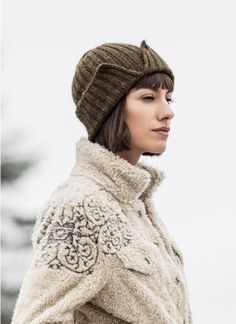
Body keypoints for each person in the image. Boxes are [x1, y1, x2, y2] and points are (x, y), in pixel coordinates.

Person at [11, 40, 193, 324]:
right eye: (148, 98)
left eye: (168, 98)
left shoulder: (137, 208)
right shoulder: (79, 208)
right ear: (110, 109)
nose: (167, 111)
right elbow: (34, 318)